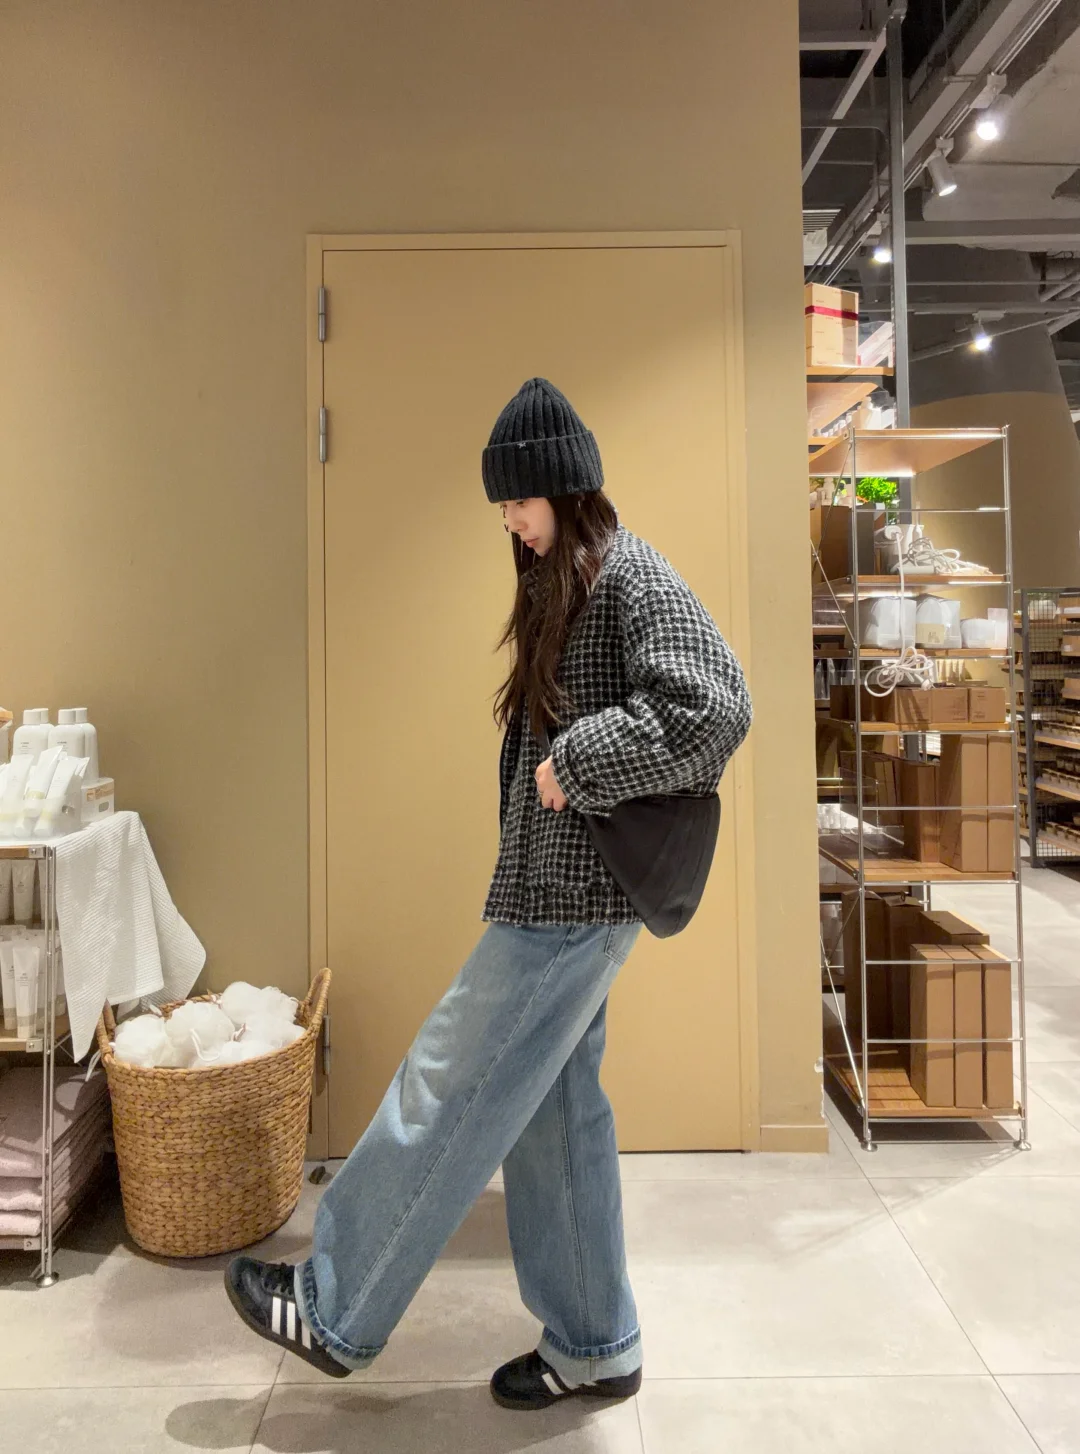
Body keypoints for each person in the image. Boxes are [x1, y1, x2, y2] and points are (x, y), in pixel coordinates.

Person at [224, 377, 752, 1411]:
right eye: (502, 503)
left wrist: (580, 759)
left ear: (567, 487)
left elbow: (716, 705)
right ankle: (596, 1342)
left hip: (572, 903)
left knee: (448, 1081)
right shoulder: (570, 580)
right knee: (555, 1115)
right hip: (559, 891)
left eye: (519, 498)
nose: (508, 518)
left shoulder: (630, 572)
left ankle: (335, 1303)